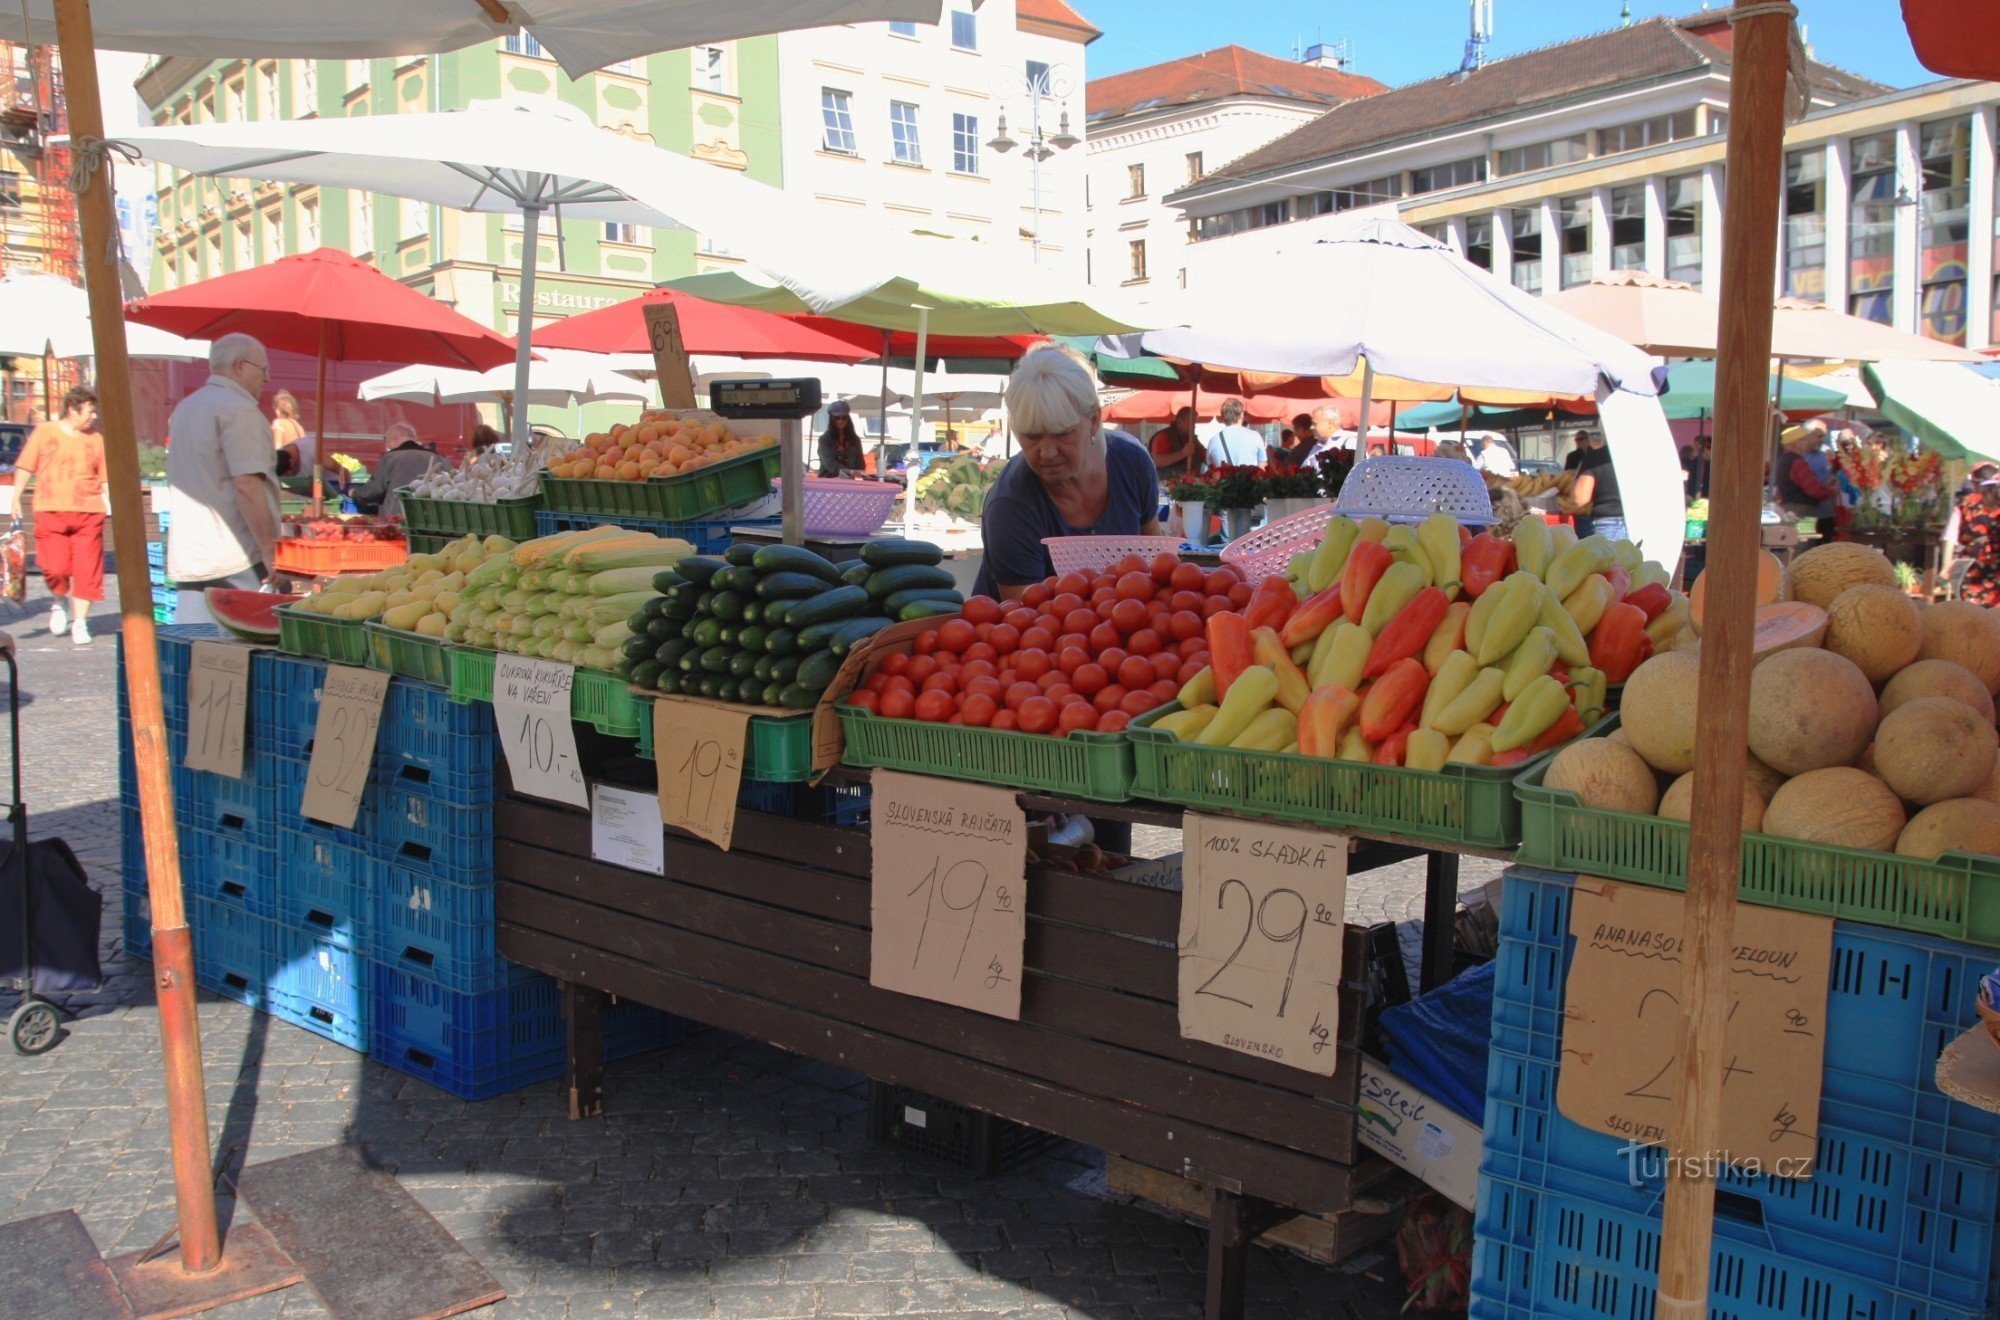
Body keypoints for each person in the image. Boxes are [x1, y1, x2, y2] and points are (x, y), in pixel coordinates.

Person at [974, 347, 1160, 599]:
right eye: (1032, 436)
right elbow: (1025, 618)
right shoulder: (1010, 505)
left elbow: (1155, 564)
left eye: (1062, 434)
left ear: (1094, 420)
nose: (1047, 452)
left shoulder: (1132, 463)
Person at [167, 333, 282, 621]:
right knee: (243, 649)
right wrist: (270, 552)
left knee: (197, 649)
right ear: (241, 366)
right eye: (264, 370)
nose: (267, 379)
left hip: (191, 552)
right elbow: (247, 485)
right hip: (236, 553)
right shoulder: (240, 410)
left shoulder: (185, 407)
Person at [13, 384, 105, 644]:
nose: (93, 417)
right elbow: (25, 465)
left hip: (89, 510)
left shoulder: (96, 439)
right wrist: (16, 496)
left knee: (88, 571)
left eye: (94, 412)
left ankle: (80, 622)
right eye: (89, 412)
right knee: (55, 567)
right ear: (71, 410)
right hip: (50, 508)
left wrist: (112, 505)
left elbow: (105, 475)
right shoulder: (45, 432)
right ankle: (58, 600)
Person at [353, 422, 441, 518]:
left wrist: (354, 493)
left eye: (387, 441)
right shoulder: (440, 458)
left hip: (396, 520)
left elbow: (372, 491)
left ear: (395, 440)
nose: (387, 445)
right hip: (431, 519)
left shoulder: (389, 458)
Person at [1568, 433, 1626, 542]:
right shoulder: (1646, 454)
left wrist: (1575, 479)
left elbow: (1580, 498)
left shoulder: (1595, 457)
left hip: (1609, 525)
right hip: (1643, 522)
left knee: (1610, 559)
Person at [1955, 470, 2000, 606]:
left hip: (1972, 563)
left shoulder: (1966, 503)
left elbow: (1956, 536)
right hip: (1997, 563)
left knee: (1973, 615)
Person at [1776, 422, 1837, 522]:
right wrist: (1832, 491)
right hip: (1801, 510)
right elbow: (1813, 489)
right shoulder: (1797, 462)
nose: (1807, 442)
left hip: (1789, 507)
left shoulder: (1783, 459)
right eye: (1804, 440)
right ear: (1797, 443)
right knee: (1803, 536)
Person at [1204, 398, 1267, 469]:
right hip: (1249, 479)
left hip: (1224, 479)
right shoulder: (1255, 436)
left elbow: (1211, 467)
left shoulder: (1213, 441)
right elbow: (1263, 467)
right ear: (1242, 415)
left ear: (1223, 416)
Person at [1149, 405, 1204, 483]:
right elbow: (1158, 462)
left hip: (1189, 484)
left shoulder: (1191, 439)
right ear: (1180, 422)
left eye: (1194, 423)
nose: (1194, 426)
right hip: (1167, 487)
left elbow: (1204, 455)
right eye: (1191, 423)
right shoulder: (1163, 437)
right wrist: (1182, 453)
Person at [817, 400, 865, 476]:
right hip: (827, 482)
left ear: (848, 419)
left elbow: (861, 465)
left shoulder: (855, 440)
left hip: (849, 483)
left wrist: (859, 473)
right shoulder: (824, 440)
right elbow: (831, 465)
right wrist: (851, 472)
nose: (840, 421)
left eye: (844, 418)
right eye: (837, 418)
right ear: (831, 419)